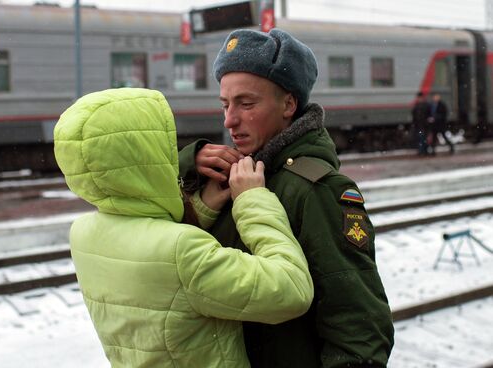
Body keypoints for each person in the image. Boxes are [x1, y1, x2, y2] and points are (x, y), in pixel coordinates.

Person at [179, 28, 394, 367]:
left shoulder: (317, 189)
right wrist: (190, 161)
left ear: (289, 104)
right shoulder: (230, 177)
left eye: (246, 104)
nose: (229, 120)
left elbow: (358, 321)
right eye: (225, 104)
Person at [54, 87, 314, 367]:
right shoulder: (181, 250)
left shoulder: (82, 233)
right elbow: (291, 290)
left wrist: (201, 208)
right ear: (146, 156)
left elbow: (152, 258)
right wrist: (253, 200)